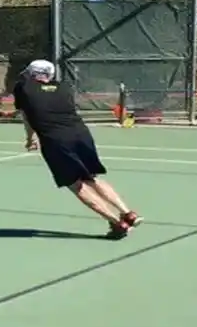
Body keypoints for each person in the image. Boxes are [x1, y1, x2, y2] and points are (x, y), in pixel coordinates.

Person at [13, 59, 142, 239]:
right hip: (81, 134)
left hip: (55, 140)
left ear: (33, 74)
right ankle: (127, 212)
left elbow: (27, 116)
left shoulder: (22, 88)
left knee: (76, 185)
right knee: (92, 177)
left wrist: (30, 138)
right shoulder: (64, 87)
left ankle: (116, 223)